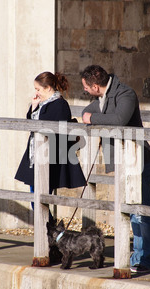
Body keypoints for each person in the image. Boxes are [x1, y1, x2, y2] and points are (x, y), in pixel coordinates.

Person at [81, 65, 150, 273]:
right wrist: (90, 116)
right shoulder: (104, 97)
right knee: (129, 210)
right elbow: (87, 111)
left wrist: (92, 119)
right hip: (125, 162)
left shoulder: (125, 94)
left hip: (139, 160)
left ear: (96, 86)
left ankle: (146, 260)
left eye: (86, 89)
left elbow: (118, 120)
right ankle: (137, 257)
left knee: (140, 211)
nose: (86, 93)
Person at [15, 71, 87, 210]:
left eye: (38, 89)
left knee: (39, 198)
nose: (36, 92)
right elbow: (31, 123)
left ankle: (50, 229)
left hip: (50, 156)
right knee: (34, 197)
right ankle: (50, 229)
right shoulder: (40, 103)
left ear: (48, 88)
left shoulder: (60, 105)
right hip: (35, 154)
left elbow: (51, 130)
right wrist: (34, 106)